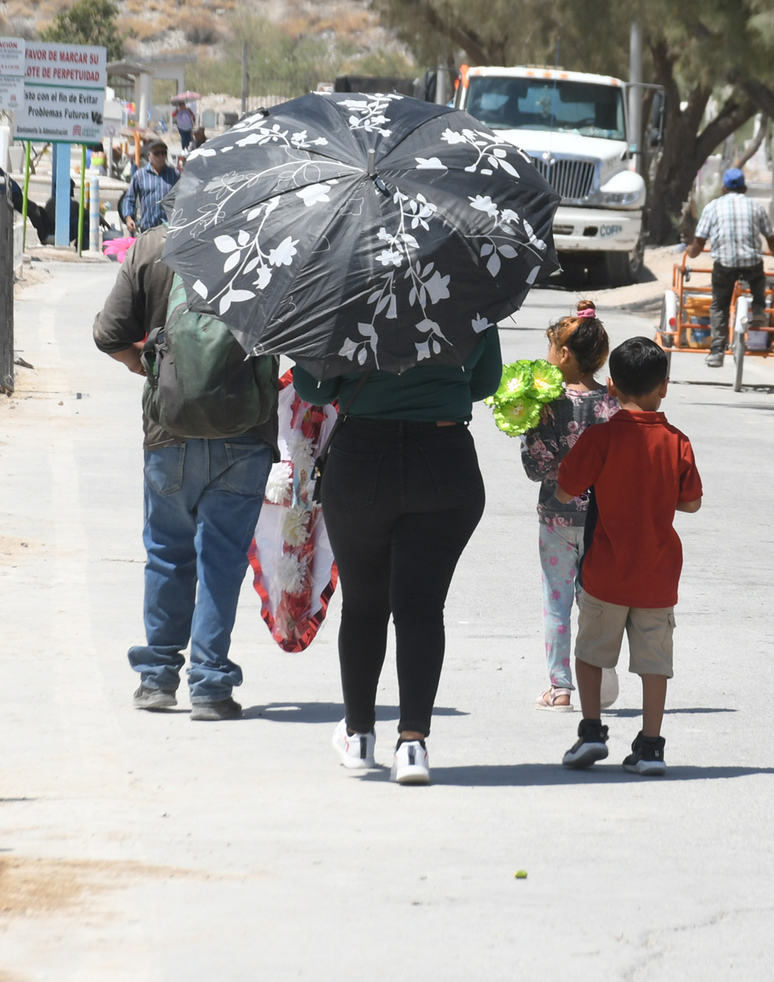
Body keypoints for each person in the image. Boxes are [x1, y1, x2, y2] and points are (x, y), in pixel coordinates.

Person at [296, 328, 503, 785]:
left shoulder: (344, 297)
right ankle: (412, 745)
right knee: (422, 607)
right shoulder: (468, 296)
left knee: (365, 604)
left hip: (362, 461)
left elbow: (314, 389)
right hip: (446, 460)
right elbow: (486, 383)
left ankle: (359, 736)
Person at [92, 226, 278, 720]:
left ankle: (156, 679)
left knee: (167, 554)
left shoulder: (151, 247)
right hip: (246, 432)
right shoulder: (269, 240)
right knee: (222, 559)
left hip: (167, 433)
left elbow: (107, 334)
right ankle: (211, 686)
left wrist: (149, 370)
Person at [554, 338, 702, 777]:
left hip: (606, 572)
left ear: (612, 387)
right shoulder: (677, 442)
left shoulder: (601, 438)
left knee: (591, 652)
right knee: (655, 662)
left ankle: (591, 731)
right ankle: (652, 746)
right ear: (664, 387)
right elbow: (691, 503)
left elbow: (565, 488)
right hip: (658, 574)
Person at [519, 301, 618, 710]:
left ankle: (560, 688)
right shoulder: (612, 404)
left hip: (556, 519)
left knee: (556, 603)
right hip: (601, 521)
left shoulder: (546, 403)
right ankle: (601, 668)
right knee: (594, 603)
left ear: (563, 355)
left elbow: (534, 466)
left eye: (550, 349)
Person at [686, 167, 774, 368]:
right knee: (758, 278)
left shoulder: (712, 207)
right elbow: (771, 239)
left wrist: (690, 252)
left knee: (719, 304)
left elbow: (698, 243)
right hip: (751, 263)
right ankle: (758, 309)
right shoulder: (756, 207)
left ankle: (716, 351)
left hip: (724, 265)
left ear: (723, 188)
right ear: (745, 188)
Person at [123, 141, 180, 233]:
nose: (160, 156)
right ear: (149, 155)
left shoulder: (174, 174)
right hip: (148, 228)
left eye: (163, 153)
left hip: (168, 227)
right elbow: (130, 199)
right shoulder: (140, 175)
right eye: (157, 153)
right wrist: (129, 218)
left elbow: (182, 197)